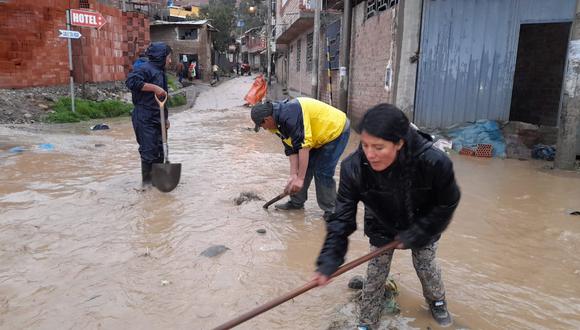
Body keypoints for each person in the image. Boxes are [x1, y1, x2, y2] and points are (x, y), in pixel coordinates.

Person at [312, 104, 461, 329]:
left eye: (379, 147)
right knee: (375, 275)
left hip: (423, 222)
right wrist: (329, 260)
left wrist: (418, 232)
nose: (370, 154)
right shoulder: (354, 168)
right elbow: (341, 218)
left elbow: (447, 202)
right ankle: (367, 322)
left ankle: (437, 302)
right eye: (365, 145)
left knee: (426, 266)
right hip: (382, 223)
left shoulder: (434, 162)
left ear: (399, 142)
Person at [251, 98, 350, 219]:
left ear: (267, 119)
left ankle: (332, 210)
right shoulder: (275, 123)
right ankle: (296, 203)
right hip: (315, 135)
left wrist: (300, 178)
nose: (264, 129)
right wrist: (293, 175)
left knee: (322, 172)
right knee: (302, 169)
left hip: (335, 130)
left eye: (262, 125)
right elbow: (291, 148)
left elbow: (303, 147)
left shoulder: (291, 116)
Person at [126, 42, 172, 186]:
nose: (170, 60)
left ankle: (157, 185)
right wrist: (154, 88)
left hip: (157, 115)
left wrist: (165, 118)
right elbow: (131, 82)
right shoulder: (144, 69)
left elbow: (162, 99)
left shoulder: (160, 72)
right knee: (149, 152)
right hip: (144, 116)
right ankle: (146, 186)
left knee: (160, 149)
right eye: (169, 57)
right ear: (161, 57)